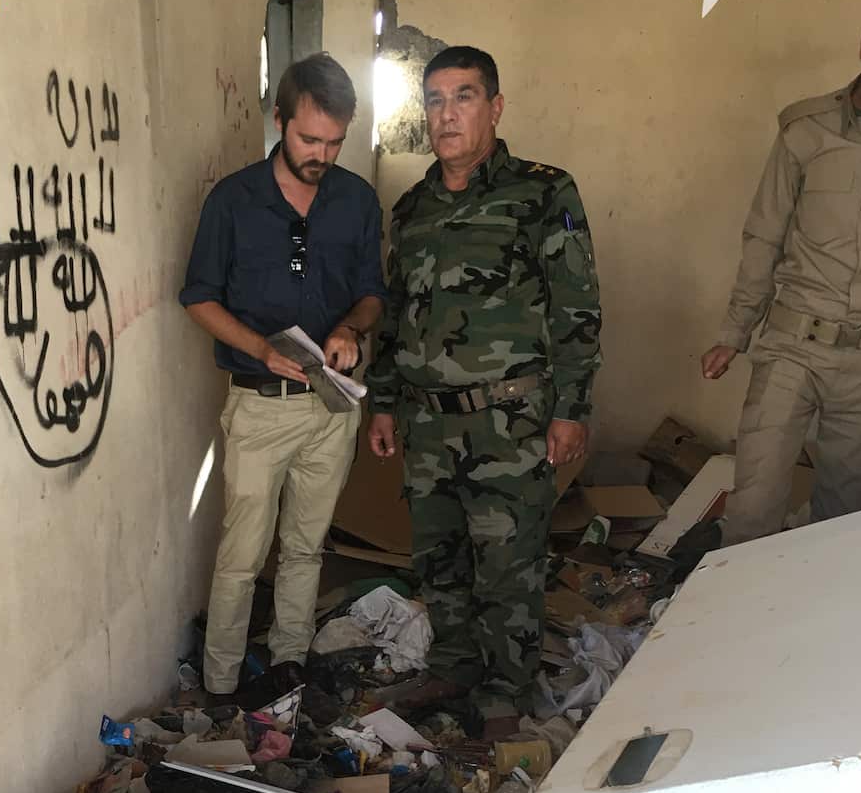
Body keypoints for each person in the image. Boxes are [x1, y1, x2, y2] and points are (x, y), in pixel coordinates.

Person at [365, 45, 602, 736]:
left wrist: (573, 409)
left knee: (507, 567)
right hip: (428, 424)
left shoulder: (542, 192)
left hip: (511, 420)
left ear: (494, 107)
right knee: (440, 562)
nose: (447, 114)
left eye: (463, 97)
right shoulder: (411, 209)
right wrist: (383, 401)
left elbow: (577, 307)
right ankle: (455, 667)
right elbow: (396, 310)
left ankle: (506, 693)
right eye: (435, 100)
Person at [180, 53, 387, 698]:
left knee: (305, 548)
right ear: (278, 119)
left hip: (333, 407)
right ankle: (219, 685)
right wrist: (261, 350)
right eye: (307, 139)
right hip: (260, 404)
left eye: (333, 142)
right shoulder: (233, 201)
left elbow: (373, 292)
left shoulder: (356, 199)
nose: (320, 154)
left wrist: (352, 328)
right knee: (242, 557)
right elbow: (198, 297)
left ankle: (287, 669)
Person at [703, 0, 861, 543]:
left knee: (843, 524)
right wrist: (734, 332)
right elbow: (765, 234)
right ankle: (738, 618)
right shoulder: (805, 130)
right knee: (754, 505)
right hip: (793, 343)